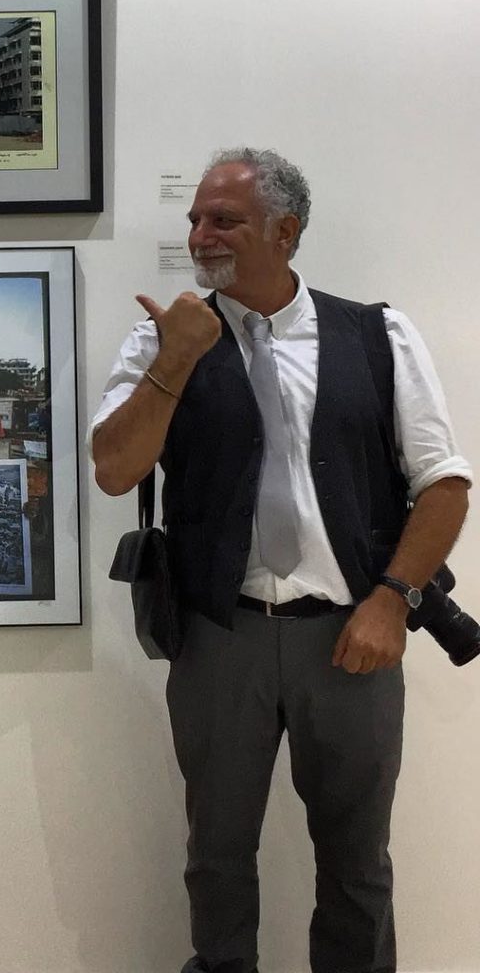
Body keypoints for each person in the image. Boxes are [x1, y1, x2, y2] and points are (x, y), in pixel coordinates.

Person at [90, 147, 471, 973]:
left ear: (285, 231)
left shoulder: (377, 334)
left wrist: (392, 601)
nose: (200, 235)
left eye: (221, 220)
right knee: (215, 859)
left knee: (357, 865)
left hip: (351, 637)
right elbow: (115, 469)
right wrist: (176, 358)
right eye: (194, 218)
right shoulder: (161, 341)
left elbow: (444, 484)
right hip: (218, 636)